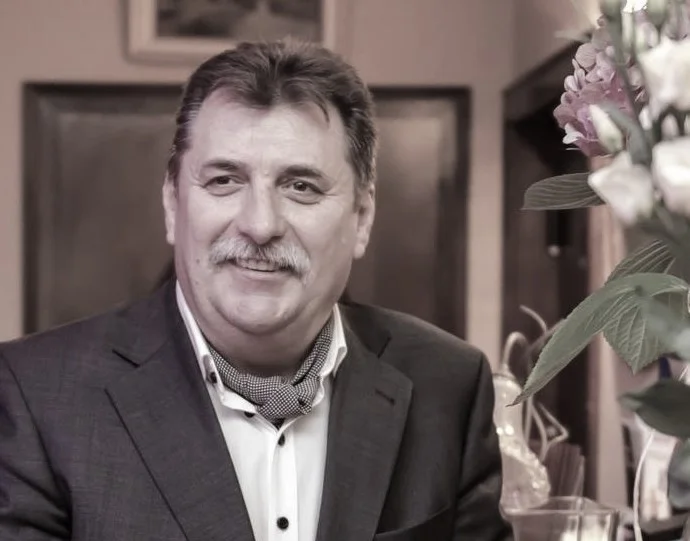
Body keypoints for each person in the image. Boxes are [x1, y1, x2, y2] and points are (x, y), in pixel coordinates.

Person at [0, 40, 512, 541]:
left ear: (362, 217)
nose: (260, 225)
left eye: (301, 186)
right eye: (224, 180)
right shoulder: (36, 396)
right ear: (173, 205)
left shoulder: (448, 386)